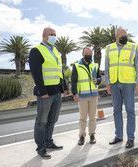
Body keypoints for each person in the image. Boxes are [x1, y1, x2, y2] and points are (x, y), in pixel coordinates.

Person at [29, 27, 67, 159]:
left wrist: (64, 87)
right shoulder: (36, 50)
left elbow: (59, 70)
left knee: (52, 119)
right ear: (44, 36)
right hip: (45, 93)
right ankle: (41, 147)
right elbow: (36, 72)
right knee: (41, 121)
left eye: (55, 34)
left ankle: (49, 142)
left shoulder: (56, 51)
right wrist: (42, 91)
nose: (54, 36)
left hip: (57, 92)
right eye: (51, 34)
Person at [105, 27, 138, 148]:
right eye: (122, 35)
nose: (124, 36)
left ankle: (130, 138)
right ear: (116, 36)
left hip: (128, 83)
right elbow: (107, 67)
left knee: (130, 110)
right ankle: (119, 136)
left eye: (125, 34)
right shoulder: (109, 48)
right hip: (114, 83)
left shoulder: (133, 46)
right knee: (116, 111)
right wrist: (107, 83)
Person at [71, 47, 102, 145]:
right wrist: (74, 93)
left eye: (90, 53)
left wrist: (97, 80)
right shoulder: (77, 66)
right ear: (83, 54)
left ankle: (92, 135)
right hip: (82, 96)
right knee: (82, 117)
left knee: (93, 117)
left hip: (93, 95)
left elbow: (99, 77)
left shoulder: (95, 65)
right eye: (86, 53)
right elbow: (73, 81)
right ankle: (81, 136)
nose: (88, 55)